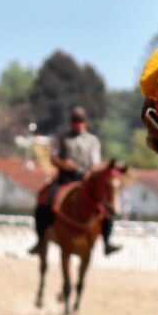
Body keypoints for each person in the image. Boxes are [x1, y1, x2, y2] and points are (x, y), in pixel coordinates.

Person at [27, 105, 122, 256]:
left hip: (86, 180)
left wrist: (90, 171)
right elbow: (53, 158)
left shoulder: (93, 141)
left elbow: (96, 163)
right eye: (75, 121)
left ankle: (106, 241)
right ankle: (40, 239)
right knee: (44, 200)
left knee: (105, 206)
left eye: (80, 121)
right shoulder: (63, 138)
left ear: (85, 122)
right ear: (71, 122)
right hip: (66, 177)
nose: (77, 124)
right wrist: (64, 164)